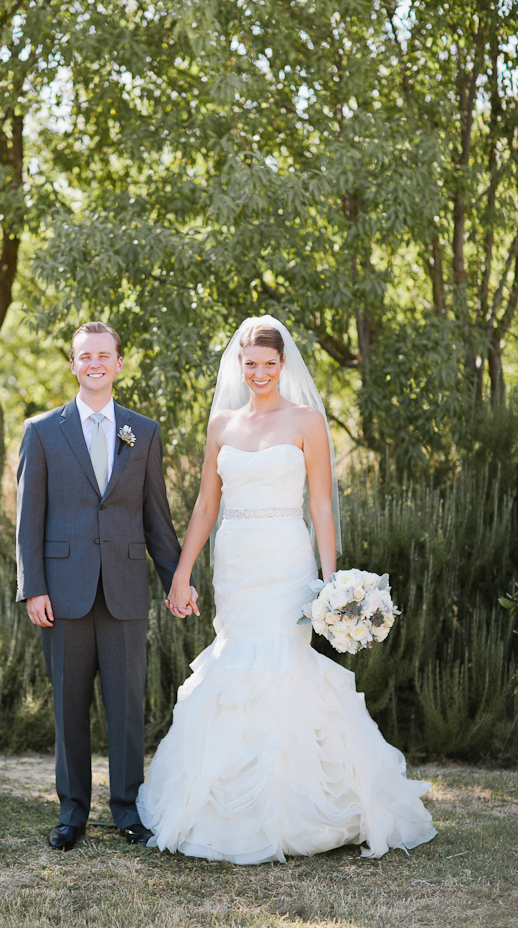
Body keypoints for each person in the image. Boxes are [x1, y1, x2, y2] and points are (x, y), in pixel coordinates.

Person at [137, 315, 436, 864]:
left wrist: (330, 580)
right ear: (239, 365)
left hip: (285, 556)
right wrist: (182, 572)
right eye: (249, 364)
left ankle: (300, 807)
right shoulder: (222, 425)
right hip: (235, 561)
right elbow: (207, 504)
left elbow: (320, 503)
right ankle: (223, 811)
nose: (258, 373)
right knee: (236, 666)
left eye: (268, 365)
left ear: (283, 366)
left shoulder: (306, 421)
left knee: (283, 664)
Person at [16, 321, 197, 851]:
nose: (94, 363)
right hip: (64, 593)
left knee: (125, 707)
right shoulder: (43, 430)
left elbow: (156, 518)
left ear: (120, 363)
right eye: (84, 355)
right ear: (72, 364)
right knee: (69, 706)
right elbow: (29, 520)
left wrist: (176, 580)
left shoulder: (144, 432)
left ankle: (127, 811)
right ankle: (72, 813)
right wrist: (34, 587)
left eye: (104, 355)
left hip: (123, 591)